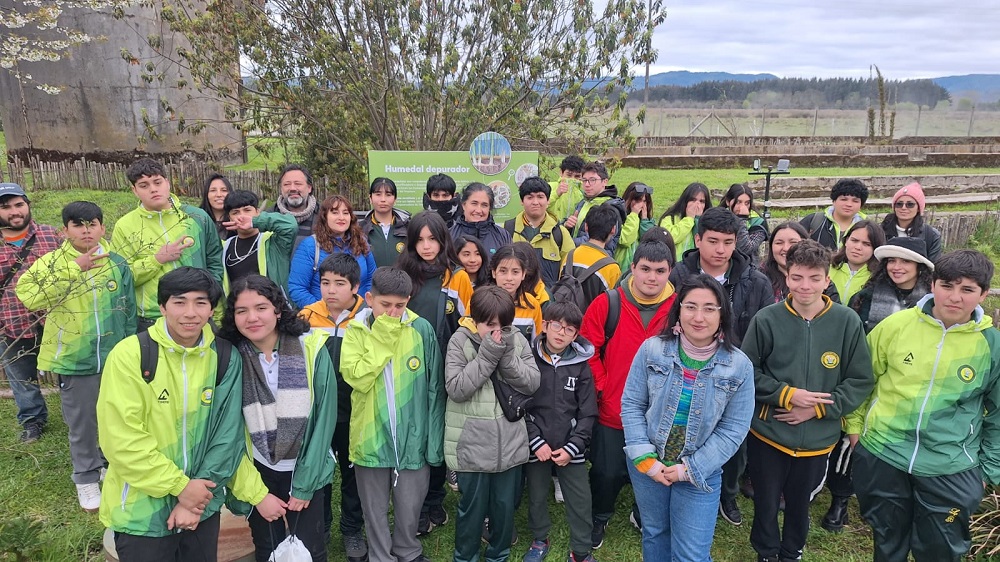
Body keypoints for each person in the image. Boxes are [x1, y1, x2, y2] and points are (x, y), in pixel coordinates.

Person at [847, 250, 1000, 562]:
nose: (955, 297)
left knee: (940, 551)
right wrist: (854, 430)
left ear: (983, 294)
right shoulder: (895, 326)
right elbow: (862, 379)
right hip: (883, 453)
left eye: (967, 289)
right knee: (888, 542)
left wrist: (988, 469)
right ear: (933, 284)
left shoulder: (991, 345)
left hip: (951, 466)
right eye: (947, 285)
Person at [96, 267, 251, 561]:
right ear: (162, 306)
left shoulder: (225, 357)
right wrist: (181, 487)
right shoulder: (131, 355)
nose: (190, 313)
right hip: (141, 513)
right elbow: (121, 439)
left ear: (212, 309)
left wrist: (194, 500)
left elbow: (227, 435)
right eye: (179, 302)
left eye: (200, 302)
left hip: (202, 507)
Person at [741, 240, 873, 562]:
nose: (805, 286)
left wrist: (816, 408)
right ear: (787, 277)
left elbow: (859, 380)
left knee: (801, 502)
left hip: (818, 437)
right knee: (767, 500)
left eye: (814, 278)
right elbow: (747, 372)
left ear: (827, 279)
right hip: (769, 433)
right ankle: (766, 551)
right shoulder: (767, 319)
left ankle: (792, 551)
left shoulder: (847, 322)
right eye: (797, 277)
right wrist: (787, 395)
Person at [623, 274, 755, 561]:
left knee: (691, 555)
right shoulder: (652, 350)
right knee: (655, 534)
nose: (699, 317)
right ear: (678, 309)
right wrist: (645, 459)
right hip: (649, 466)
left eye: (709, 308)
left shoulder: (739, 366)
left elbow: (734, 429)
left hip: (699, 474)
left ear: (723, 314)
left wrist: (689, 469)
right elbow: (632, 403)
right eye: (690, 306)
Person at [15, 201, 136, 510]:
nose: (86, 231)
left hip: (113, 357)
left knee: (115, 417)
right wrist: (73, 268)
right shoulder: (52, 262)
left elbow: (129, 310)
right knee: (82, 423)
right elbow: (27, 295)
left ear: (102, 228)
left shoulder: (118, 263)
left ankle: (111, 466)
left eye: (92, 224)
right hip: (75, 359)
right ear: (64, 230)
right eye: (79, 225)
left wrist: (130, 350)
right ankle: (85, 477)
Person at [668, 206, 773, 526]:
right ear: (698, 239)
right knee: (680, 432)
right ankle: (675, 481)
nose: (720, 250)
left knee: (733, 439)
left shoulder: (755, 282)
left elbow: (764, 331)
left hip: (732, 376)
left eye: (728, 242)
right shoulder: (677, 275)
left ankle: (726, 494)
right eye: (713, 241)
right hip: (684, 370)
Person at [220, 275, 337, 562]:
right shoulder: (229, 358)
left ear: (277, 309)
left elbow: (324, 419)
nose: (252, 318)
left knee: (311, 550)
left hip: (305, 467)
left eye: (261, 307)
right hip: (258, 469)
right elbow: (230, 430)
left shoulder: (312, 349)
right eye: (241, 310)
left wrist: (305, 486)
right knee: (267, 547)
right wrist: (258, 494)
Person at [341, 267, 444, 562]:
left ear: (409, 300)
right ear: (369, 298)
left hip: (413, 437)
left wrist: (432, 439)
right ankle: (380, 555)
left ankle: (407, 550)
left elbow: (434, 387)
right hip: (370, 437)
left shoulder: (421, 329)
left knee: (410, 504)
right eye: (385, 305)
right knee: (373, 507)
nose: (393, 312)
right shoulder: (356, 330)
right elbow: (357, 377)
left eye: (400, 305)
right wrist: (384, 336)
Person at [579, 240, 677, 547]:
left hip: (664, 410)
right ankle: (600, 515)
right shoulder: (608, 303)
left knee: (656, 468)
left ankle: (643, 511)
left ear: (669, 272)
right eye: (645, 269)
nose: (652, 277)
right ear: (632, 268)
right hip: (615, 407)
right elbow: (587, 349)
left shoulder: (679, 307)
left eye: (660, 271)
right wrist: (604, 386)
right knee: (606, 472)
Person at [445, 285, 541, 562]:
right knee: (471, 510)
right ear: (474, 320)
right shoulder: (459, 341)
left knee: (504, 508)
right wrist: (488, 355)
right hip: (472, 444)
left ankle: (499, 555)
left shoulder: (517, 341)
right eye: (489, 325)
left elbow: (532, 382)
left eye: (504, 325)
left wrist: (506, 356)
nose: (497, 331)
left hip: (509, 443)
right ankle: (465, 557)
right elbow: (457, 388)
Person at [395, 211, 473, 535]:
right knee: (412, 433)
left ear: (443, 241)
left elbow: (468, 325)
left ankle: (434, 500)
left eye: (433, 239)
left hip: (443, 370)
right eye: (420, 239)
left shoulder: (457, 277)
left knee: (437, 435)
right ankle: (413, 501)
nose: (427, 246)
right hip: (407, 371)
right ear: (412, 242)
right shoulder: (401, 276)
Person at [299, 254, 369, 562]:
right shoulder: (306, 316)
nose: (331, 290)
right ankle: (321, 526)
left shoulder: (367, 316)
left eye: (339, 284)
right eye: (325, 282)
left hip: (355, 410)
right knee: (321, 470)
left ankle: (353, 529)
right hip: (319, 412)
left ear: (355, 286)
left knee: (353, 473)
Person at [111, 158, 223, 332]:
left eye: (157, 182)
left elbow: (215, 259)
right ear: (134, 190)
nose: (153, 189)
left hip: (197, 314)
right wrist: (157, 260)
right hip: (152, 318)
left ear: (167, 183)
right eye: (144, 185)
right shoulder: (124, 226)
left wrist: (210, 298)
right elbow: (122, 276)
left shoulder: (197, 217)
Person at [523, 301, 598, 562]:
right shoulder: (528, 360)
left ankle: (580, 551)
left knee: (581, 501)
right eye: (556, 325)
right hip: (537, 446)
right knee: (536, 495)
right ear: (544, 325)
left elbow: (588, 413)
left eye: (569, 330)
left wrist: (572, 447)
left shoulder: (581, 367)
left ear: (576, 335)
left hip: (571, 448)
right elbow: (520, 406)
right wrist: (535, 441)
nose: (561, 333)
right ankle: (539, 538)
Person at [0, 182, 62, 442]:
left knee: (67, 371)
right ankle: (33, 420)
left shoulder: (52, 235)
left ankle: (76, 414)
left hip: (56, 320)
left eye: (19, 204)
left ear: (27, 205)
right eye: (5, 207)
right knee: (21, 376)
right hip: (10, 322)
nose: (14, 211)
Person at [289, 195, 376, 306]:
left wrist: (363, 308)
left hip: (359, 316)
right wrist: (322, 313)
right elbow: (297, 288)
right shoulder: (310, 246)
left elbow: (371, 278)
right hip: (322, 319)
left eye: (345, 213)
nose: (341, 217)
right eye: (335, 213)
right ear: (325, 216)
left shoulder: (361, 242)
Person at [848, 237, 935, 334]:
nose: (896, 267)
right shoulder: (864, 298)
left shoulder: (932, 303)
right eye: (891, 261)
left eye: (905, 261)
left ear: (919, 266)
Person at [221, 190, 298, 295]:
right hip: (239, 308)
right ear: (229, 217)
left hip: (274, 307)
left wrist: (255, 222)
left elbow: (290, 225)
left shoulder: (274, 241)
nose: (242, 216)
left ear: (257, 212)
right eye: (235, 212)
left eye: (247, 210)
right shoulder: (224, 247)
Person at [506, 176, 575, 289]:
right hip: (514, 300)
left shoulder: (560, 233)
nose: (535, 202)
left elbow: (569, 273)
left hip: (549, 301)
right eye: (530, 197)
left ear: (548, 201)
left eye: (540, 197)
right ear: (522, 201)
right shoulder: (508, 229)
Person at [760, 222, 839, 304]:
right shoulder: (758, 279)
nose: (786, 248)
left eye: (793, 242)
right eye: (779, 243)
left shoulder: (822, 282)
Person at [560, 205, 622, 310]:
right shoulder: (612, 268)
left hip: (564, 322)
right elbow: (613, 307)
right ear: (613, 230)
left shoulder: (570, 255)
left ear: (586, 227)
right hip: (591, 323)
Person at [562, 162, 624, 249]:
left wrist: (564, 242)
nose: (587, 184)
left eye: (592, 180)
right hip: (576, 253)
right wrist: (567, 225)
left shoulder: (610, 208)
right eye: (584, 180)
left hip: (597, 258)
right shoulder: (583, 202)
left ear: (604, 182)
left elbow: (597, 240)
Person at [490, 244, 543, 341]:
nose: (509, 278)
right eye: (503, 271)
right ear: (494, 272)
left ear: (523, 274)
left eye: (515, 272)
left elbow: (536, 344)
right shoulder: (479, 300)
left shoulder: (532, 304)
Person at [880, 181, 942, 262]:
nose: (903, 208)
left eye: (910, 204)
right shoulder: (881, 230)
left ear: (919, 208)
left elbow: (934, 266)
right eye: (899, 204)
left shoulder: (931, 235)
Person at [800, 178, 869, 250]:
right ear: (834, 201)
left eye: (855, 201)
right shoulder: (813, 221)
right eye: (843, 199)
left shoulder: (867, 227)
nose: (849, 204)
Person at [829, 220, 885, 305]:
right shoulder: (826, 267)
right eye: (854, 240)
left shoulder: (879, 277)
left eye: (866, 244)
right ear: (846, 241)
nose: (858, 247)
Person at [449, 182, 513, 258]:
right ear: (463, 205)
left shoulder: (502, 235)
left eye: (484, 205)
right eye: (474, 203)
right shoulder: (450, 235)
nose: (479, 210)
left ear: (490, 208)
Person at [270, 163, 320, 251]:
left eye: (298, 184)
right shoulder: (269, 217)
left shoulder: (324, 216)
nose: (292, 188)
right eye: (287, 184)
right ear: (281, 189)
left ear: (309, 188)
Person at [362, 177, 410, 267]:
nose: (383, 199)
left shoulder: (408, 227)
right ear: (370, 198)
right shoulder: (359, 229)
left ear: (395, 199)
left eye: (388, 194)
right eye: (378, 194)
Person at [659, 182, 712, 262]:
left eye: (701, 201)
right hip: (674, 266)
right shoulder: (670, 219)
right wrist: (689, 219)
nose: (697, 205)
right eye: (693, 200)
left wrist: (698, 219)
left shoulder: (709, 222)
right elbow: (670, 238)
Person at [719, 183, 768, 266]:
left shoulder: (758, 223)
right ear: (728, 202)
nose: (742, 207)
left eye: (746, 203)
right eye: (738, 202)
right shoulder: (719, 218)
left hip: (748, 269)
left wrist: (742, 218)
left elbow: (745, 248)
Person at [614, 182, 656, 271]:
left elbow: (648, 241)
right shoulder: (619, 216)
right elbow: (625, 240)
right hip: (621, 265)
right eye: (637, 200)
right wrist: (634, 215)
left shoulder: (647, 220)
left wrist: (645, 220)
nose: (641, 205)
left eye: (644, 201)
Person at [547, 155, 586, 223]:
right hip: (549, 229)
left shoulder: (583, 193)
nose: (572, 179)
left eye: (577, 176)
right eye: (569, 175)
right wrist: (556, 194)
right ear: (561, 173)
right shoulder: (549, 187)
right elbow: (537, 206)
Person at [199, 173, 232, 240]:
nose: (219, 195)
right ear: (206, 195)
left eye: (224, 190)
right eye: (213, 190)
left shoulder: (238, 221)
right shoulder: (197, 220)